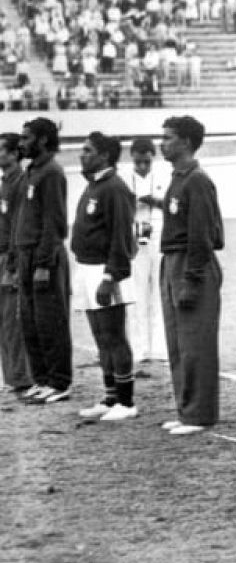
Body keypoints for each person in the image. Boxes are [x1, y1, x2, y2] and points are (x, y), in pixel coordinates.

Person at [159, 115, 224, 435]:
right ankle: (186, 409)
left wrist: (192, 278)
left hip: (190, 264)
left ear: (186, 142)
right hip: (171, 261)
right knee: (178, 344)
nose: (163, 143)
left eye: (169, 137)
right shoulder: (178, 178)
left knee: (196, 344)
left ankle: (200, 413)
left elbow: (202, 234)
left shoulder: (197, 179)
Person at [71, 133, 139, 422]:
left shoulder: (115, 188)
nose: (81, 155)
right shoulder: (94, 186)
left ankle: (126, 401)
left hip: (105, 270)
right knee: (100, 336)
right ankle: (110, 396)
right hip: (85, 267)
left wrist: (111, 276)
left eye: (88, 151)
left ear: (104, 156)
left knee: (114, 336)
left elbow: (121, 236)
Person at [16, 117, 72, 403]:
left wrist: (43, 263)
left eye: (26, 138)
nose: (21, 143)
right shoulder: (31, 172)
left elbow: (54, 222)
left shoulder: (52, 172)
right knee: (30, 322)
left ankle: (60, 382)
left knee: (50, 321)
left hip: (43, 258)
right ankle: (42, 379)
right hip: (25, 256)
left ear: (42, 140)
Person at [126, 138, 169, 366]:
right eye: (139, 162)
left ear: (153, 157)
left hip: (159, 238)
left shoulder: (164, 176)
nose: (143, 166)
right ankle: (139, 347)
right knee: (137, 295)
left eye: (147, 162)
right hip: (135, 240)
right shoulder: (125, 178)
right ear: (132, 156)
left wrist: (155, 200)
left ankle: (160, 347)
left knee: (158, 294)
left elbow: (172, 204)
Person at [0, 134, 32, 398]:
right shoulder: (4, 183)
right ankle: (11, 375)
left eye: (2, 150)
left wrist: (12, 263)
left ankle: (22, 376)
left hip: (10, 257)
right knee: (3, 319)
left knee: (13, 319)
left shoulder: (21, 183)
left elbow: (17, 226)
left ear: (14, 154)